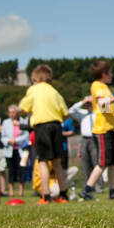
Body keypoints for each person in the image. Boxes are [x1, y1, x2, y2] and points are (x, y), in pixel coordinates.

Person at [19, 64, 70, 203]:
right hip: (56, 126)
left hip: (41, 127)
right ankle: (63, 194)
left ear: (35, 78)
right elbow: (66, 114)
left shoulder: (33, 90)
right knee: (57, 162)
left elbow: (23, 108)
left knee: (43, 161)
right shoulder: (54, 91)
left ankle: (46, 195)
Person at [81, 60, 114, 201]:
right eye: (110, 72)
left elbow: (104, 108)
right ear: (104, 74)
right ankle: (87, 190)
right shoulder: (97, 85)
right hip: (102, 130)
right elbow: (102, 103)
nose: (112, 75)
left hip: (109, 129)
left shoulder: (104, 87)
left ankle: (113, 191)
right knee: (103, 162)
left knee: (113, 161)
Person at [0, 104, 30, 199]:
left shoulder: (23, 121)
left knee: (21, 169)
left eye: (14, 112)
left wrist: (16, 140)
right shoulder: (6, 123)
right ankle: (11, 191)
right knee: (11, 170)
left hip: (21, 150)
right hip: (9, 150)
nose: (12, 114)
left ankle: (21, 191)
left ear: (17, 113)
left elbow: (26, 135)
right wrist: (9, 141)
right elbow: (3, 136)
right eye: (10, 112)